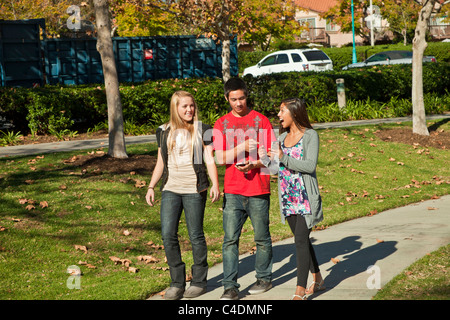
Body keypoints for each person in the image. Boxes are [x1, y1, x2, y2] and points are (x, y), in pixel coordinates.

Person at [146, 90, 220, 300]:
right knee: (168, 235)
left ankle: (198, 281)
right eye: (184, 106)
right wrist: (151, 186)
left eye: (191, 106)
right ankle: (177, 283)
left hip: (194, 189)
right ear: (175, 108)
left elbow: (209, 159)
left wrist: (215, 183)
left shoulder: (203, 130)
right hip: (170, 188)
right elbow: (161, 162)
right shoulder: (163, 131)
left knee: (195, 235)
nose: (189, 110)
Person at [213, 77, 276, 300]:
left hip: (259, 189)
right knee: (230, 240)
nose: (238, 103)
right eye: (233, 99)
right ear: (227, 98)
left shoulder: (262, 121)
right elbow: (220, 158)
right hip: (233, 191)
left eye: (241, 98)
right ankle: (230, 287)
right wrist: (241, 147)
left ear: (247, 96)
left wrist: (255, 163)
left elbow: (274, 157)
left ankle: (264, 278)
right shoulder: (221, 124)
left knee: (262, 237)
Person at [266, 97, 325, 300]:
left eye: (283, 111)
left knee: (300, 239)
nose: (279, 115)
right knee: (303, 240)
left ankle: (300, 289)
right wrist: (262, 160)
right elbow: (275, 168)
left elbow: (310, 166)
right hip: (288, 197)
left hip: (305, 197)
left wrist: (282, 157)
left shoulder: (311, 135)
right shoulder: (281, 139)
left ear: (295, 112)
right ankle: (317, 277)